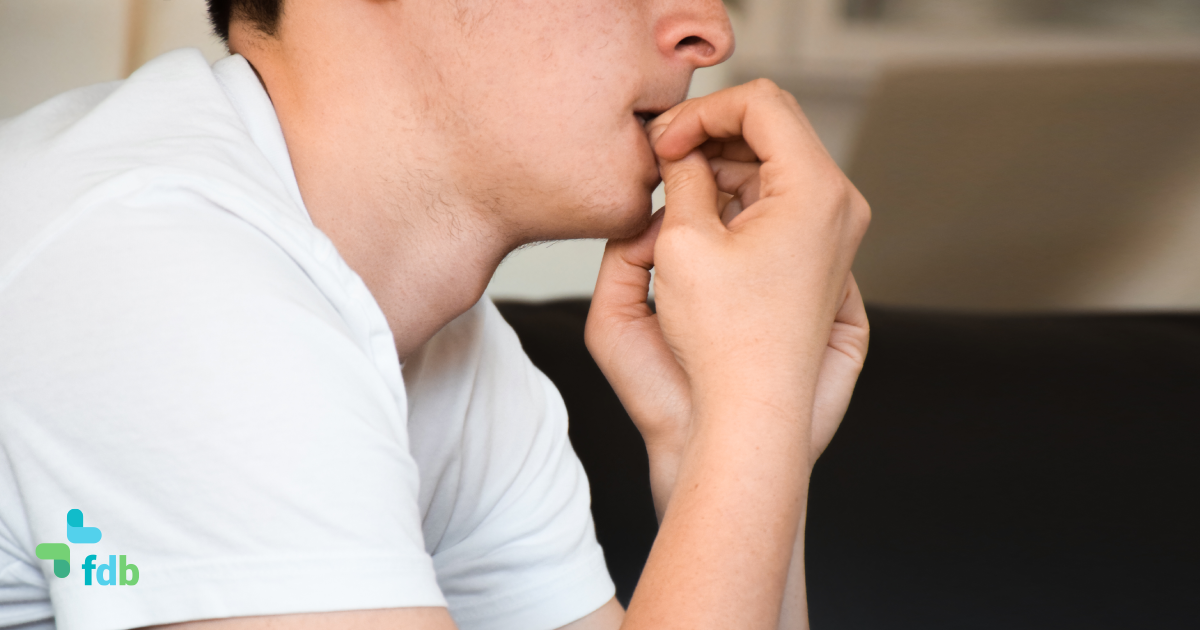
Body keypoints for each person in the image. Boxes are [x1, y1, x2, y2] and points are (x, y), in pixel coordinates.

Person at [0, 0, 870, 628]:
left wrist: (720, 433)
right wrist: (758, 386)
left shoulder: (452, 354)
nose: (708, 30)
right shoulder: (158, 271)